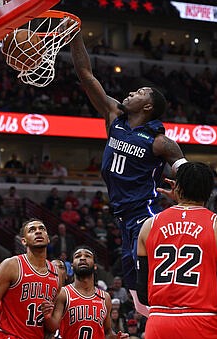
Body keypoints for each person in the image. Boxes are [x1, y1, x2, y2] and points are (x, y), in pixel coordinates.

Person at [70, 28, 186, 315]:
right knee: (139, 300)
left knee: (153, 290)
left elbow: (188, 173)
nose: (130, 93)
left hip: (145, 218)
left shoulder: (161, 143)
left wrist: (182, 196)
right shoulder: (114, 119)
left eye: (138, 93)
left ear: (147, 106)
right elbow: (86, 74)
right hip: (124, 219)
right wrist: (74, 36)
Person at [136, 162, 217, 339]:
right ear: (209, 191)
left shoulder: (148, 226)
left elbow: (143, 294)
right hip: (202, 322)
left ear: (177, 188)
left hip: (159, 323)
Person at [0, 218, 60, 339]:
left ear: (48, 238)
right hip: (10, 337)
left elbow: (51, 325)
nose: (38, 232)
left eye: (42, 229)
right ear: (24, 241)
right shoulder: (11, 265)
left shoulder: (55, 273)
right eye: (32, 230)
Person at [43, 246, 129, 339]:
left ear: (95, 266)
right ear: (72, 265)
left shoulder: (105, 297)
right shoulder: (64, 293)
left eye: (87, 256)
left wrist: (116, 338)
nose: (82, 258)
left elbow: (107, 332)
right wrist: (47, 316)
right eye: (78, 256)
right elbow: (52, 327)